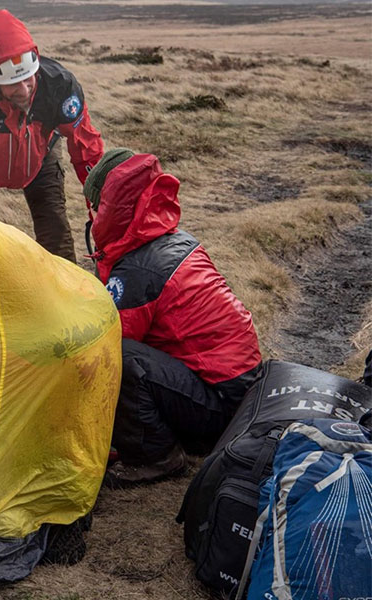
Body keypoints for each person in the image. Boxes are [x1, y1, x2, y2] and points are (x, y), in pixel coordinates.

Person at [84, 149, 263, 487]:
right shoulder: (171, 240)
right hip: (238, 392)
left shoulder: (138, 267)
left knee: (117, 354)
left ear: (106, 208)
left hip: (222, 406)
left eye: (94, 207)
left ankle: (155, 456)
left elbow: (106, 344)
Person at [0, 9, 104, 262]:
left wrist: (100, 199)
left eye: (28, 79)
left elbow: (86, 148)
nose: (24, 90)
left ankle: (65, 296)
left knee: (56, 237)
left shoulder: (59, 86)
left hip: (41, 157)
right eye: (14, 84)